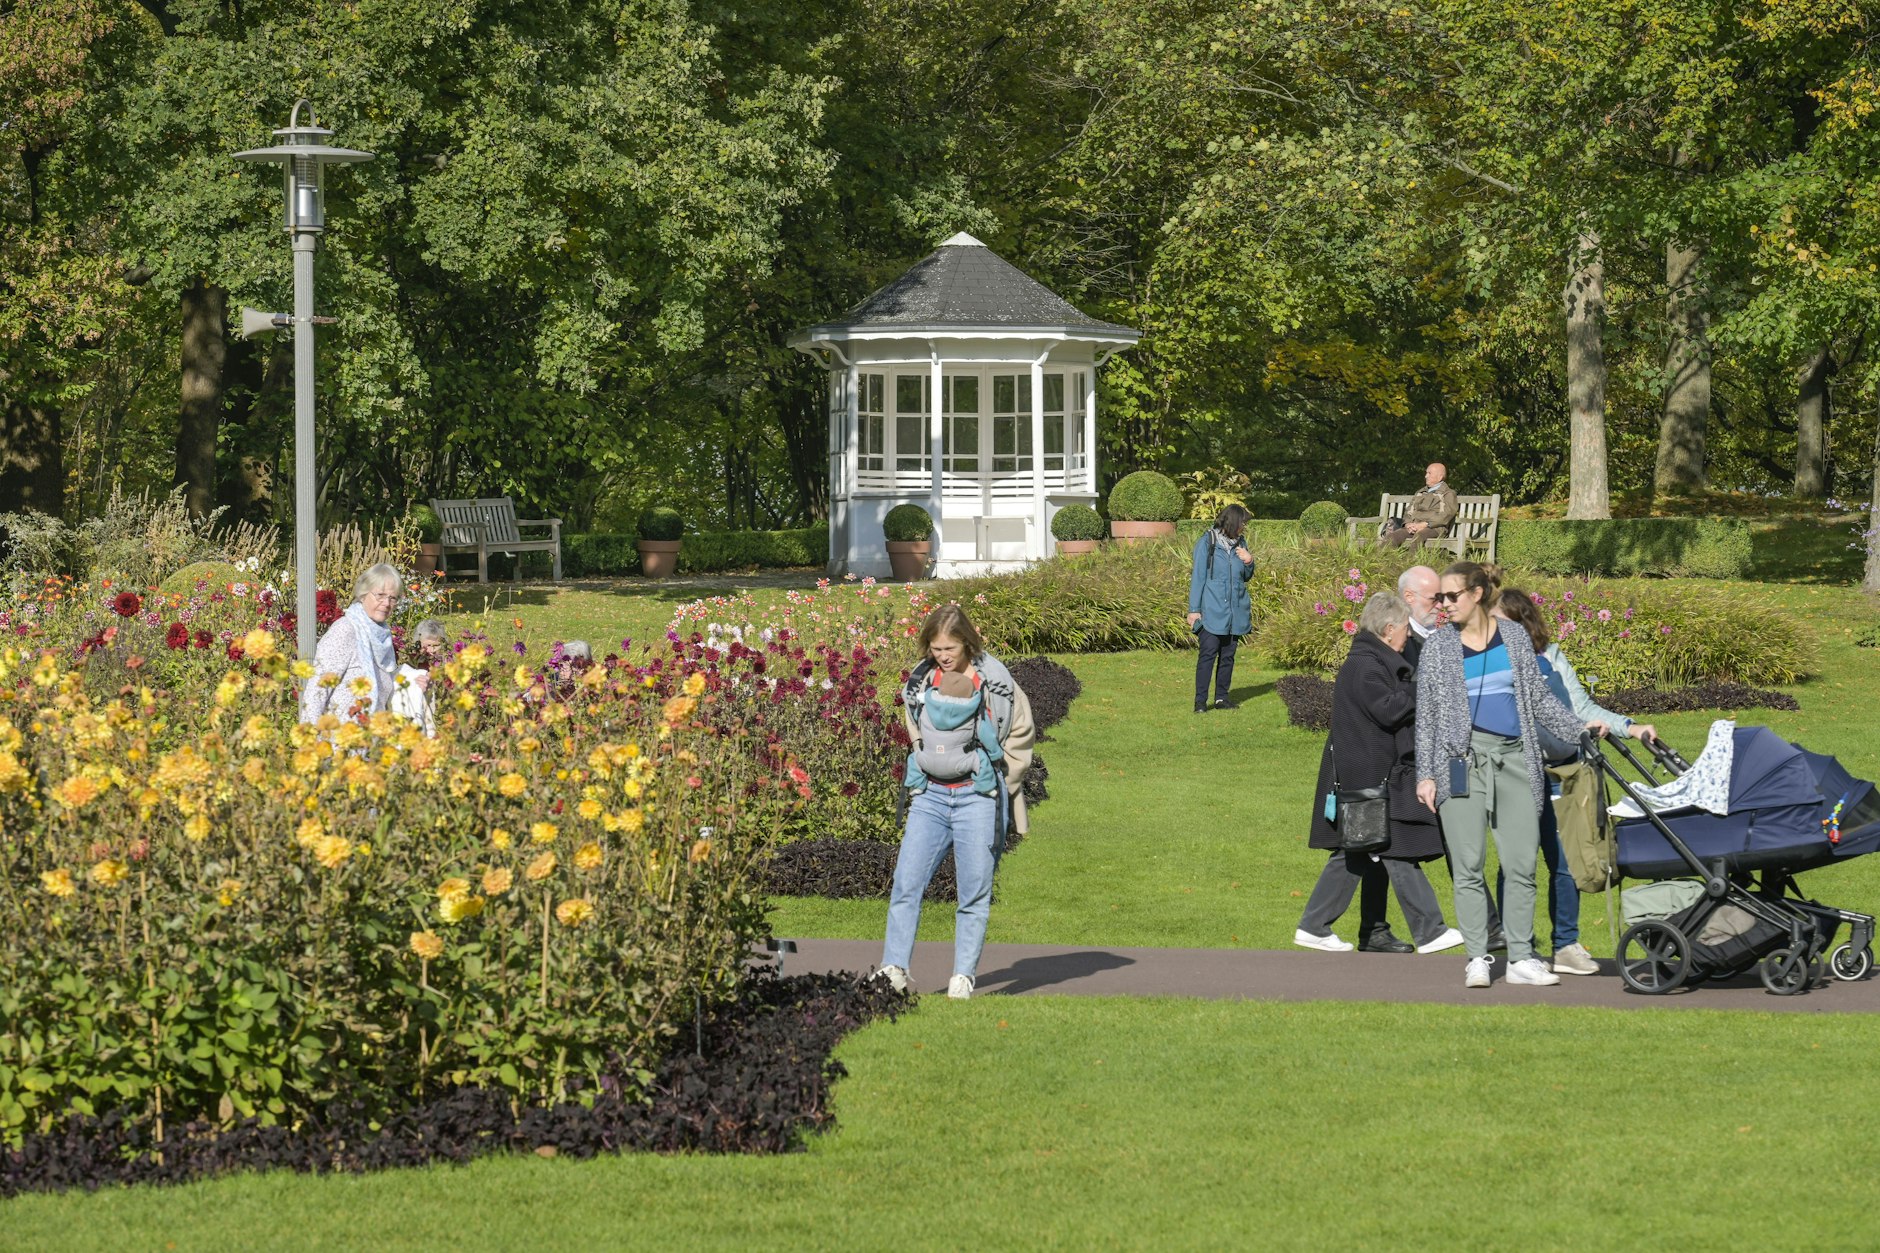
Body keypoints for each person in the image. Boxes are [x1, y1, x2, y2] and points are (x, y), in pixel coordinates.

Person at [1413, 562, 1606, 989]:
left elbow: (1538, 699)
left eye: (1451, 596)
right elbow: (1425, 716)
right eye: (1439, 598)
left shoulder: (1516, 638)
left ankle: (1520, 958)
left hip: (1517, 761)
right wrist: (1426, 774)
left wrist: (1579, 729)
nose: (1443, 605)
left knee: (1520, 864)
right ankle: (1478, 957)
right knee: (1468, 864)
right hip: (1460, 763)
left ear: (1477, 594)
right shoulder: (1438, 646)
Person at [1491, 589, 1657, 976]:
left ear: (1521, 623)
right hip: (1514, 773)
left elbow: (1580, 709)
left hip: (1563, 773)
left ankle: (1565, 944)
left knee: (1565, 863)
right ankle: (1518, 946)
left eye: (1500, 622)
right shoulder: (1488, 662)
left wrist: (1630, 727)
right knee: (1517, 864)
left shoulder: (1551, 657)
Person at [879, 604, 1036, 1001]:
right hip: (930, 797)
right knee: (906, 884)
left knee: (974, 893)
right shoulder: (922, 679)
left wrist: (1004, 779)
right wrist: (919, 753)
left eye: (950, 647)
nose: (943, 655)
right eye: (936, 648)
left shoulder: (995, 681)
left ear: (967, 642)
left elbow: (1021, 731)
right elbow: (913, 721)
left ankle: (962, 977)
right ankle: (893, 971)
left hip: (977, 799)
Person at [1297, 592, 1464, 955]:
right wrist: (1425, 686)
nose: (1407, 635)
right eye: (1405, 629)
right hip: (1371, 776)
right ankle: (1429, 930)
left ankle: (1337, 928)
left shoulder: (1371, 660)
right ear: (1389, 630)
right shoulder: (1365, 665)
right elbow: (1388, 710)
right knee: (1389, 847)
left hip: (1374, 774)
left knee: (1361, 851)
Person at [301, 563, 403, 724]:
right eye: (380, 595)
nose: (386, 603)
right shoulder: (346, 630)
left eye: (392, 598)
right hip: (338, 741)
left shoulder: (382, 638)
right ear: (363, 595)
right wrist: (309, 740)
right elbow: (317, 690)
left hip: (371, 741)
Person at [1188, 504, 1256, 712]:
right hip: (1212, 610)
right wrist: (1194, 609)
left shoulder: (1241, 543)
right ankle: (1200, 701)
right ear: (1233, 521)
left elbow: (1245, 577)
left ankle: (1221, 699)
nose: (1244, 527)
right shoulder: (1207, 542)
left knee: (1228, 656)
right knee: (1207, 655)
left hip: (1234, 612)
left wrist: (1249, 561)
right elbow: (1198, 577)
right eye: (1243, 522)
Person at [1379, 463, 1459, 549]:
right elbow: (1409, 511)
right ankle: (1382, 560)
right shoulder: (1420, 492)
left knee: (1418, 537)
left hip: (1435, 528)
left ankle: (1412, 561)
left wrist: (1425, 524)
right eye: (1426, 473)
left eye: (1429, 473)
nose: (1426, 476)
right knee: (1392, 537)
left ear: (1440, 477)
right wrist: (1407, 524)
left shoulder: (1448, 494)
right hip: (1413, 526)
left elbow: (1446, 515)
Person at [389, 618, 447, 736]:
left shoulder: (446, 663)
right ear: (418, 642)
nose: (431, 650)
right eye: (428, 645)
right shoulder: (412, 664)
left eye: (436, 646)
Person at [1396, 565, 1441, 669]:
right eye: (1433, 599)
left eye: (1441, 598)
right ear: (1409, 597)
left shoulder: (1444, 634)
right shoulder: (1395, 640)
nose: (1440, 605)